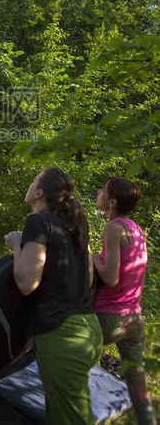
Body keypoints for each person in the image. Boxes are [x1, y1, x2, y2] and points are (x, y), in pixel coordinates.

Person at [5, 168, 102, 424]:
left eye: (33, 180)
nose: (30, 183)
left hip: (64, 338)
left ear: (39, 193)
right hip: (89, 330)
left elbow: (27, 281)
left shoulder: (38, 222)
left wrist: (16, 244)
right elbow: (89, 279)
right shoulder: (75, 225)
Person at [93, 177, 156, 425]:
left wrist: (90, 256)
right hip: (134, 320)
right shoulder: (136, 228)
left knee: (66, 367)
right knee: (140, 392)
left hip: (108, 318)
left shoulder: (113, 228)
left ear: (112, 201)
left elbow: (109, 277)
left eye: (103, 190)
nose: (98, 191)